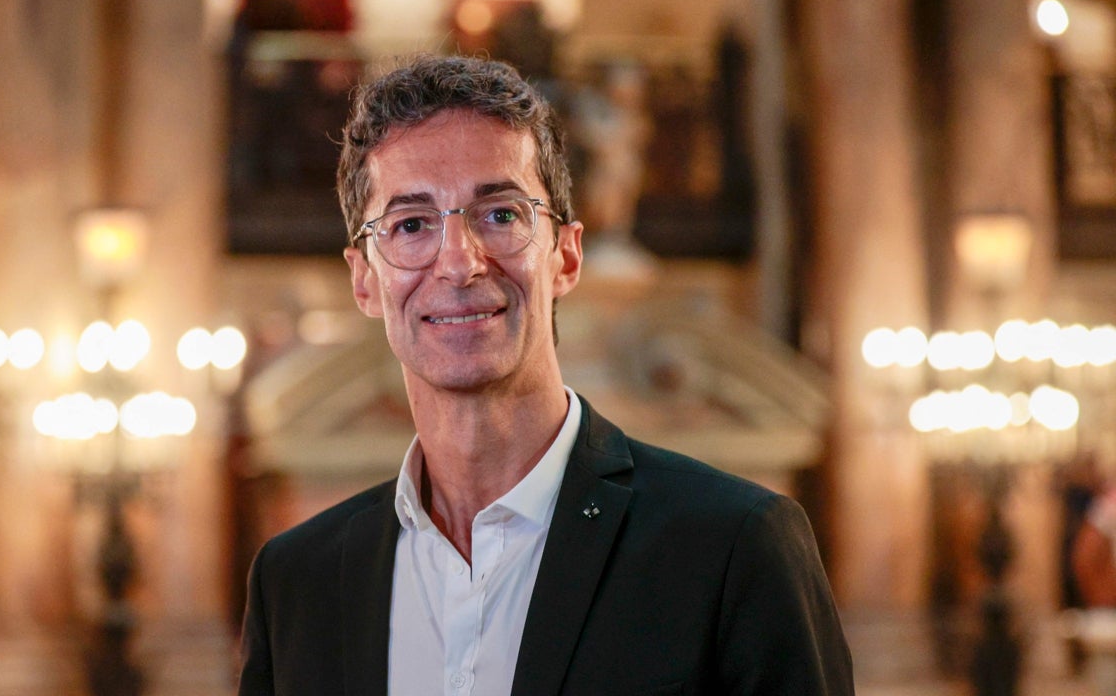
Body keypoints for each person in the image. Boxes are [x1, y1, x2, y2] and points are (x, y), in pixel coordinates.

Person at [237, 54, 854, 695]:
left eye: (501, 214)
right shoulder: (295, 584)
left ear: (565, 256)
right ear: (364, 280)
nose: (459, 263)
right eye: (410, 224)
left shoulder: (734, 547)